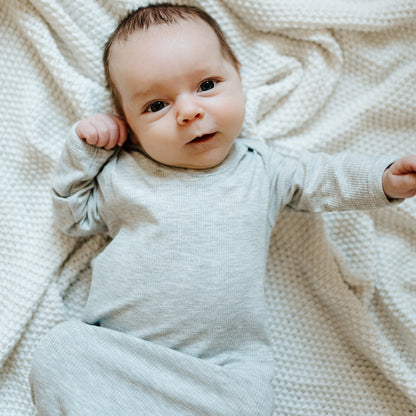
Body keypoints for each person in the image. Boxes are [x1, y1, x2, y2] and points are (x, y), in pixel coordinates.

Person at [29, 3, 416, 415]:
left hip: (223, 374)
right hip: (127, 360)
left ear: (239, 79)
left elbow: (325, 178)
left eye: (207, 84)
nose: (189, 110)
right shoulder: (123, 175)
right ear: (129, 125)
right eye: (156, 106)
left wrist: (383, 179)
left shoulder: (263, 167)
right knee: (60, 350)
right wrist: (84, 153)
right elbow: (72, 218)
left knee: (251, 399)